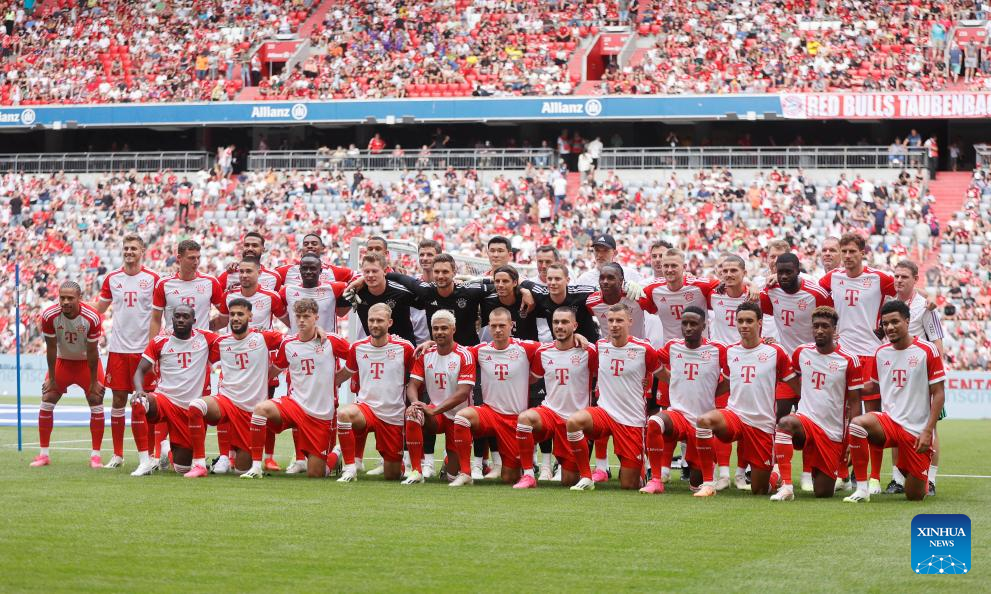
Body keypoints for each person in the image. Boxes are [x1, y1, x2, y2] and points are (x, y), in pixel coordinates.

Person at [844, 300, 945, 503]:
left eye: (895, 322)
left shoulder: (927, 350)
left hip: (916, 431)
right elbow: (871, 387)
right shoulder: (881, 353)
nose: (889, 327)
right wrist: (838, 385)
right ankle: (862, 488)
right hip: (889, 423)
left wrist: (928, 431)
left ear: (907, 321)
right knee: (857, 425)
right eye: (885, 323)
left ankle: (914, 472)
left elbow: (939, 393)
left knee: (914, 496)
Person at [818, 233, 896, 495]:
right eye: (844, 251)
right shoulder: (831, 279)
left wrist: (884, 327)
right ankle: (842, 473)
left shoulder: (879, 279)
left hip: (871, 356)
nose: (848, 256)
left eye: (853, 251)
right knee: (842, 417)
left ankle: (874, 477)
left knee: (873, 418)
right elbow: (817, 301)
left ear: (863, 252)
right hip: (842, 357)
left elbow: (903, 297)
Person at [696, 302, 801, 495]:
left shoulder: (775, 351)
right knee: (704, 421)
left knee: (759, 490)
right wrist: (700, 394)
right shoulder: (730, 351)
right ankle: (708, 483)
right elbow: (726, 383)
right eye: (740, 321)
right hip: (735, 415)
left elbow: (796, 385)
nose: (744, 325)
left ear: (759, 323)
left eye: (749, 321)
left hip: (761, 423)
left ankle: (774, 475)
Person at [242, 299, 351, 479]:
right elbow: (273, 371)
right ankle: (256, 467)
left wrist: (338, 378)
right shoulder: (288, 343)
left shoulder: (331, 341)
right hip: (294, 405)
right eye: (298, 316)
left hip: (320, 414)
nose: (301, 320)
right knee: (261, 410)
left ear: (316, 317)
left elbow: (356, 358)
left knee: (316, 474)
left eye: (306, 316)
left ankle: (335, 454)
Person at [184, 299, 284, 477]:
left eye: (240, 314)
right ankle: (199, 464)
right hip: (227, 402)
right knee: (196, 406)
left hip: (251, 411)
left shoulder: (264, 337)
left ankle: (233, 457)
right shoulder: (221, 342)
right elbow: (192, 337)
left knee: (241, 469)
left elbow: (293, 341)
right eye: (232, 314)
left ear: (250, 316)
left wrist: (318, 330)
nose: (236, 318)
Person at [770, 306, 862, 500]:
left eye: (825, 326)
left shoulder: (849, 360)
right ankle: (786, 486)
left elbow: (855, 402)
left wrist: (853, 439)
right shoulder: (801, 353)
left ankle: (837, 477)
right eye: (816, 326)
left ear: (835, 330)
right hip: (806, 422)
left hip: (832, 431)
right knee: (786, 423)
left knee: (822, 493)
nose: (819, 330)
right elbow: (791, 377)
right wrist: (805, 397)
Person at [567, 303, 662, 491]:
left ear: (629, 322)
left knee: (629, 485)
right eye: (611, 320)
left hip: (631, 419)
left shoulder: (644, 348)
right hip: (604, 412)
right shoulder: (600, 347)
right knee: (574, 422)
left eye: (619, 320)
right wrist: (575, 335)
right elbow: (582, 360)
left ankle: (641, 471)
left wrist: (649, 385)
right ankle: (587, 477)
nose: (614, 324)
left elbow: (660, 373)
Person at [448, 308, 542, 486]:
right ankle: (466, 472)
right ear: (488, 328)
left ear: (511, 326)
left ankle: (521, 465)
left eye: (502, 325)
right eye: (493, 326)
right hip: (489, 413)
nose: (497, 330)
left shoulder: (526, 347)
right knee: (462, 418)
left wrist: (579, 337)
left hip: (515, 419)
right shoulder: (481, 350)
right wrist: (430, 344)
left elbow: (554, 347)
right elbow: (455, 351)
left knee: (509, 477)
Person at [641, 306, 728, 496]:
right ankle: (656, 479)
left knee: (695, 484)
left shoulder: (717, 349)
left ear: (704, 326)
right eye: (685, 323)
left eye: (693, 324)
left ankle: (706, 481)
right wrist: (671, 379)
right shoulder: (673, 346)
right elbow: (651, 359)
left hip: (702, 421)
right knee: (655, 422)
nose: (688, 328)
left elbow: (731, 377)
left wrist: (712, 391)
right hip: (677, 414)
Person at [128, 305, 221, 477]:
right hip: (165, 400)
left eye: (185, 316)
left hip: (190, 408)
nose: (180, 319)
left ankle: (166, 449)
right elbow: (139, 371)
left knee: (182, 468)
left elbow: (233, 342)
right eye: (177, 316)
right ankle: (145, 462)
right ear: (171, 319)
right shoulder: (159, 341)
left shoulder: (206, 338)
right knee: (138, 402)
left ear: (194, 320)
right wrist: (139, 390)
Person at [513, 307, 598, 489]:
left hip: (575, 419)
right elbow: (531, 376)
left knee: (569, 481)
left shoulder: (589, 351)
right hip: (550, 413)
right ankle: (528, 475)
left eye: (565, 322)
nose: (559, 326)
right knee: (525, 419)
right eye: (556, 322)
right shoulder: (543, 352)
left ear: (575, 326)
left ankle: (574, 468)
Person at [95, 234, 159, 468]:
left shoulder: (153, 279)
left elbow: (158, 315)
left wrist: (154, 350)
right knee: (118, 400)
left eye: (134, 248)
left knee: (147, 402)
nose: (129, 251)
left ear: (143, 251)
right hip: (119, 349)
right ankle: (118, 454)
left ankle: (151, 454)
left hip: (143, 351)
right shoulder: (112, 278)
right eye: (126, 248)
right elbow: (99, 308)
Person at [884, 260, 946, 495]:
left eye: (904, 277)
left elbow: (937, 341)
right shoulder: (890, 303)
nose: (898, 280)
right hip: (899, 377)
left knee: (931, 427)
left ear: (915, 279)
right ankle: (897, 479)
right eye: (896, 276)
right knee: (896, 423)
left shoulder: (925, 307)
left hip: (923, 376)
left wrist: (935, 374)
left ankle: (930, 479)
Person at [336, 303, 415, 482]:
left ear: (390, 322)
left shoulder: (405, 348)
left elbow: (415, 379)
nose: (374, 324)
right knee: (344, 413)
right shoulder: (357, 347)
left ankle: (400, 463)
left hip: (393, 414)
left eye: (380, 320)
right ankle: (350, 468)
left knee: (392, 475)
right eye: (371, 320)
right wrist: (322, 383)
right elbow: (344, 374)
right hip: (367, 409)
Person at [31, 282, 106, 468]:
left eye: (70, 298)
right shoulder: (49, 315)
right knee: (47, 398)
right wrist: (52, 379)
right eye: (62, 297)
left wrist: (94, 381)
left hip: (86, 364)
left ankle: (96, 456)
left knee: (96, 400)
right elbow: (50, 349)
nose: (65, 302)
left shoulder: (92, 317)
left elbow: (92, 351)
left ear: (79, 298)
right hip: (62, 361)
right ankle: (43, 455)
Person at [402, 310, 477, 484]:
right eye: (435, 328)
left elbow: (462, 393)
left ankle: (449, 463)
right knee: (412, 414)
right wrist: (415, 403)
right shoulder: (425, 354)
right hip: (435, 414)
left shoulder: (464, 355)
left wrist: (434, 410)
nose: (439, 332)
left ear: (453, 329)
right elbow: (412, 385)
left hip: (459, 418)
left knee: (451, 476)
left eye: (444, 328)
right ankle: (416, 471)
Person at [150, 239, 223, 337]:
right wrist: (152, 348)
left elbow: (225, 315)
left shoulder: (211, 282)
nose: (196, 262)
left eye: (198, 258)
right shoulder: (164, 284)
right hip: (172, 346)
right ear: (179, 258)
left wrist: (205, 330)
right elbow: (155, 320)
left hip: (201, 347)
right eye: (192, 258)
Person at [349, 253, 419, 345]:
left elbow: (425, 303)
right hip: (374, 349)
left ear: (385, 271)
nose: (370, 275)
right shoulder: (356, 291)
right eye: (367, 271)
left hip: (403, 350)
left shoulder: (401, 291)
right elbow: (340, 309)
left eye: (374, 271)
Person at [280, 253, 349, 335]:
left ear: (320, 271)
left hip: (326, 344)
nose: (308, 272)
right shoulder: (287, 291)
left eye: (312, 268)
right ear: (300, 270)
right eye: (304, 268)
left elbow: (356, 284)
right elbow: (277, 309)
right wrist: (292, 324)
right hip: (297, 345)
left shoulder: (334, 288)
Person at [586, 263, 657, 339]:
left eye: (610, 278)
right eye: (602, 278)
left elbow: (658, 313)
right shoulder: (591, 302)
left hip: (637, 349)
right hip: (607, 349)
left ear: (621, 280)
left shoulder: (636, 297)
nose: (605, 281)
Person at [214, 257, 286, 331]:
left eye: (248, 271)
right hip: (233, 341)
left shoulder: (271, 296)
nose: (244, 275)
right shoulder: (228, 295)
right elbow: (221, 321)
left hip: (261, 341)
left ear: (259, 273)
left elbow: (288, 321)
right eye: (241, 271)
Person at [277, 232, 355, 287]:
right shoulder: (286, 271)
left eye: (314, 244)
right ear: (302, 249)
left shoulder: (334, 271)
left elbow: (359, 276)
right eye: (306, 244)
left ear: (322, 249)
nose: (310, 246)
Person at [218, 232, 283, 291]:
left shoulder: (273, 277)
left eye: (254, 245)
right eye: (246, 245)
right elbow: (219, 301)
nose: (250, 248)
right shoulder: (228, 274)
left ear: (263, 249)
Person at [575, 233, 642, 286]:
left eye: (605, 250)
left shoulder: (631, 274)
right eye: (597, 250)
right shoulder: (584, 279)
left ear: (615, 253)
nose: (600, 255)